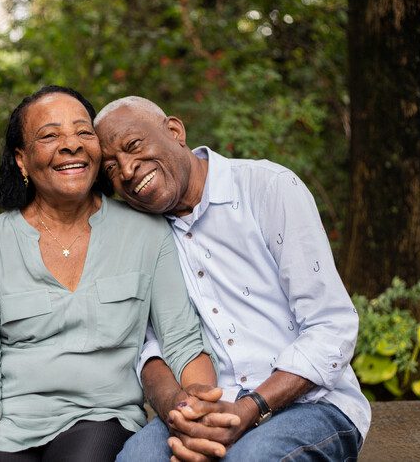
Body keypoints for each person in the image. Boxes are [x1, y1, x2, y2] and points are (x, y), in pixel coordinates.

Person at [0, 86, 217, 462]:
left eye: (83, 132)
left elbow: (182, 341)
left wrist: (200, 411)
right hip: (5, 424)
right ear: (22, 160)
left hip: (100, 417)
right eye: (50, 135)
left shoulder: (146, 233)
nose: (70, 145)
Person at [94, 96, 372, 461]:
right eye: (112, 167)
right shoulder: (142, 234)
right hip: (208, 407)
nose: (127, 171)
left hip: (311, 404)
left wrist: (251, 407)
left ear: (175, 131)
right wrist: (179, 411)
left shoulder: (267, 188)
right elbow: (150, 348)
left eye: (133, 146)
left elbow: (331, 326)